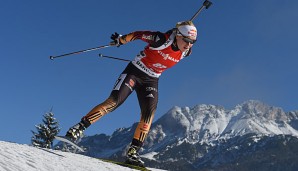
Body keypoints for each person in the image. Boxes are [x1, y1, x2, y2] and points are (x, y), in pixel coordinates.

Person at [65, 21, 197, 167]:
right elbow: (138, 34)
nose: (189, 44)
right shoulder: (160, 39)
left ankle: (133, 153)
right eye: (186, 40)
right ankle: (78, 128)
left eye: (192, 42)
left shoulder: (187, 52)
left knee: (148, 114)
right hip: (134, 72)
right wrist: (122, 40)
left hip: (151, 80)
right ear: (178, 35)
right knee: (113, 102)